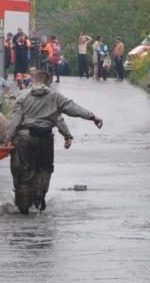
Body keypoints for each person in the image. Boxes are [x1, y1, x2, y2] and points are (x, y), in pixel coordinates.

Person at [6, 70, 104, 214]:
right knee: (44, 169)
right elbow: (71, 109)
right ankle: (40, 194)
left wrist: (9, 137)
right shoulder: (54, 97)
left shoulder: (23, 95)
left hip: (24, 137)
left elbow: (15, 118)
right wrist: (92, 117)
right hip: (45, 137)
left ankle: (23, 205)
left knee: (24, 170)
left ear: (34, 80)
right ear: (49, 82)